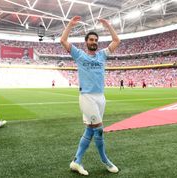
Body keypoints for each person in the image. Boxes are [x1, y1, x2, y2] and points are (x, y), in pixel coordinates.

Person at [60, 16, 120, 175]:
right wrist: (70, 26)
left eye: (96, 40)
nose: (94, 42)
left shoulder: (102, 55)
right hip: (87, 97)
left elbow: (116, 40)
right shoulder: (79, 55)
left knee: (90, 130)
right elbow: (63, 40)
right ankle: (105, 160)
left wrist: (108, 26)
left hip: (101, 97)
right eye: (91, 39)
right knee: (99, 130)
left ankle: (76, 162)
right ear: (86, 42)